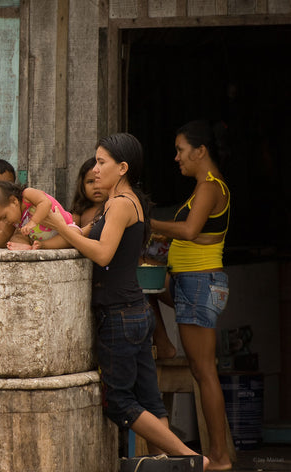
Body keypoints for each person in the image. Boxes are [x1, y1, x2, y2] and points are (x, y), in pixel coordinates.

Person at [46, 133, 209, 470]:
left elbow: (102, 253)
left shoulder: (120, 204)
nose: (94, 169)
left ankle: (191, 460)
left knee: (119, 403)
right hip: (134, 311)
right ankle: (179, 466)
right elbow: (80, 232)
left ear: (122, 168)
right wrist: (39, 241)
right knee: (150, 400)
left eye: (101, 162)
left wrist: (55, 225)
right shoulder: (122, 201)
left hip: (119, 315)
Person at [150, 120, 232, 471]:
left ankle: (219, 458)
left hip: (199, 283)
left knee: (204, 371)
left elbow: (188, 229)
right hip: (190, 283)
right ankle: (218, 454)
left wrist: (145, 220)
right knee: (202, 371)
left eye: (181, 150)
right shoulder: (202, 188)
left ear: (200, 151)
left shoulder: (209, 187)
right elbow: (192, 235)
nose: (176, 157)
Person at [0, 180, 77, 251]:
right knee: (14, 240)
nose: (5, 222)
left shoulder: (27, 195)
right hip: (41, 240)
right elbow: (4, 233)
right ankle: (38, 246)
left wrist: (33, 222)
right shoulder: (14, 220)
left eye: (4, 217)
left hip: (64, 228)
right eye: (1, 220)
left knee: (73, 234)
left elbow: (45, 203)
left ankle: (42, 245)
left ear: (14, 201)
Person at [70, 156, 107, 228]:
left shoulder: (114, 207)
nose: (96, 186)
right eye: (90, 182)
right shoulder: (79, 211)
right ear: (82, 185)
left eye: (100, 180)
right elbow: (70, 234)